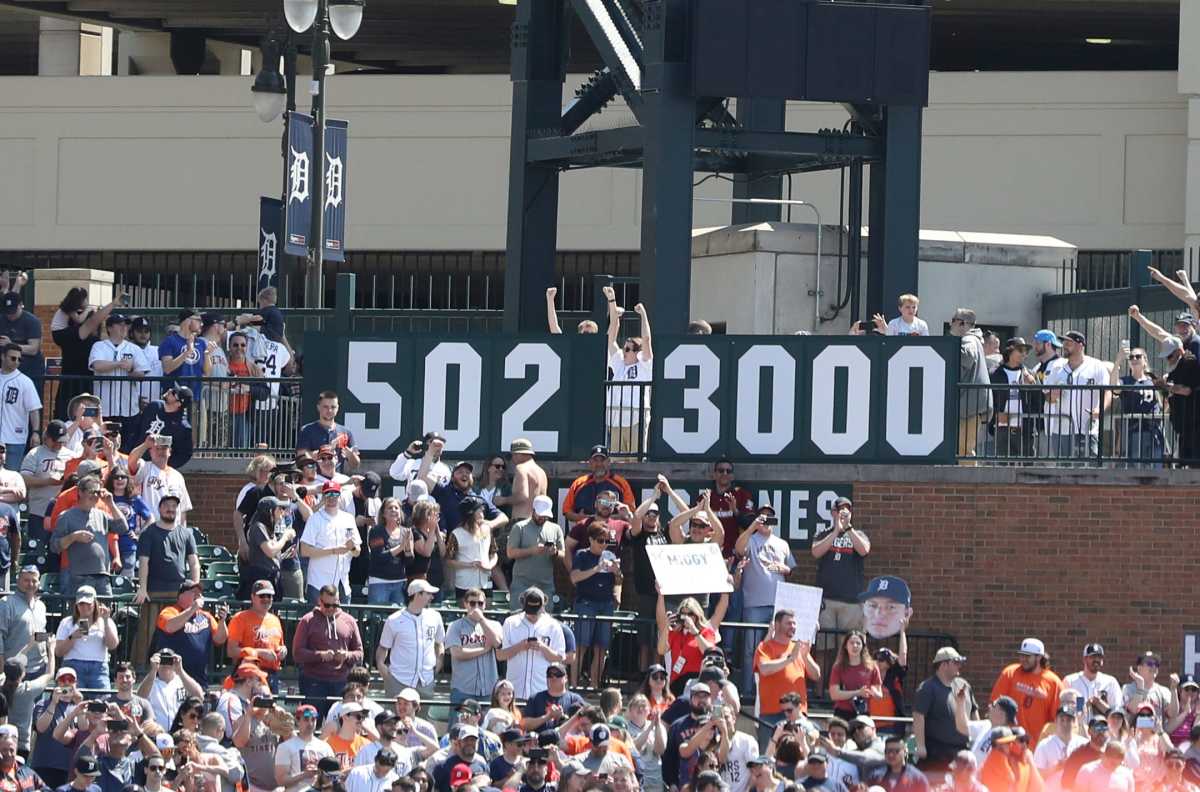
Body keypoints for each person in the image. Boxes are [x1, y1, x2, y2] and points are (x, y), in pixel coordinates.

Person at [735, 506, 795, 691]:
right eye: (763, 517)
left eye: (770, 517)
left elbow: (790, 568)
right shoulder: (751, 540)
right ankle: (748, 690)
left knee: (777, 647)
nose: (767, 520)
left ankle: (772, 689)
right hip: (754, 603)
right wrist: (753, 525)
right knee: (750, 650)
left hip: (779, 605)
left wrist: (784, 569)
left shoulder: (782, 543)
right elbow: (738, 548)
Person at [293, 585, 364, 717]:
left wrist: (346, 655)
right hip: (313, 682)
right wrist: (320, 655)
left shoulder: (349, 621)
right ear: (319, 601)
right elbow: (297, 654)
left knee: (340, 725)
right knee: (312, 724)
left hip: (341, 682)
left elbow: (360, 653)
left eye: (335, 605)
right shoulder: (307, 620)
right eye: (327, 605)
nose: (331, 608)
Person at [754, 610, 820, 750]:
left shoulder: (799, 647)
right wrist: (789, 659)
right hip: (771, 714)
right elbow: (764, 669)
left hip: (797, 713)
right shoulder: (765, 647)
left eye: (794, 623)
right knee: (768, 756)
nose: (793, 626)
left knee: (799, 755)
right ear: (777, 625)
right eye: (788, 623)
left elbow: (816, 675)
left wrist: (806, 655)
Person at [50, 476, 126, 597]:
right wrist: (73, 537)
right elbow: (54, 546)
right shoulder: (66, 516)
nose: (96, 496)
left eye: (98, 492)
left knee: (105, 614)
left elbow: (123, 528)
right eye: (92, 491)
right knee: (80, 615)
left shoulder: (102, 515)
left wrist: (111, 504)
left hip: (103, 577)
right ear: (80, 492)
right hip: (79, 577)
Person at [1042, 330, 1111, 462]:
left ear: (1080, 345)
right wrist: (1052, 396)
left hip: (1088, 428)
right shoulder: (1057, 366)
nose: (1064, 346)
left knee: (1090, 469)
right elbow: (1046, 395)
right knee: (1063, 470)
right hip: (1062, 429)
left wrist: (1100, 409)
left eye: (1069, 343)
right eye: (1064, 342)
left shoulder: (1096, 366)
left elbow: (1107, 391)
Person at [569, 522, 623, 686]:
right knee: (581, 646)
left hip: (605, 604)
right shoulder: (581, 555)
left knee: (601, 648)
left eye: (606, 541)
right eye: (600, 540)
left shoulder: (610, 556)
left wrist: (617, 572)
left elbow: (619, 580)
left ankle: (595, 685)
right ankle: (573, 684)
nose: (604, 544)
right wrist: (596, 568)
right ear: (591, 540)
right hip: (586, 603)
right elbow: (574, 577)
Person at [52, 289, 117, 420]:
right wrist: (94, 309)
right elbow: (87, 322)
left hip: (82, 380)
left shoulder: (92, 340)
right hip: (73, 381)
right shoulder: (69, 324)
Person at [989, 638, 1064, 748]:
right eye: (1021, 655)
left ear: (1039, 657)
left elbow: (1057, 719)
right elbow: (994, 706)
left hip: (1038, 747)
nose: (1023, 659)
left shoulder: (1053, 682)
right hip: (1009, 743)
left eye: (1028, 656)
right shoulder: (1010, 673)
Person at [810, 497, 869, 637]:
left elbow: (864, 550)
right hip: (827, 600)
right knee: (825, 646)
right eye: (840, 509)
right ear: (833, 513)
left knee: (850, 647)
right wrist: (836, 531)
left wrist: (848, 528)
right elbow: (815, 552)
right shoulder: (822, 533)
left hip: (851, 601)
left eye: (847, 509)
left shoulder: (858, 534)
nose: (844, 512)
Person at [376, 580, 445, 698]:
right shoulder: (394, 619)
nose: (432, 597)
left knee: (422, 717)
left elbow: (439, 643)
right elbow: (383, 647)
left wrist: (439, 662)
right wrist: (382, 668)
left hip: (426, 680)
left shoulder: (435, 616)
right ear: (418, 594)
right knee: (396, 716)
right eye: (428, 593)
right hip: (399, 680)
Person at [153, 581, 227, 685]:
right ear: (181, 595)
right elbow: (170, 627)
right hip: (172, 678)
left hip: (199, 678)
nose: (199, 595)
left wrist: (222, 621)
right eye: (194, 592)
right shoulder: (170, 611)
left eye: (200, 593)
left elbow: (220, 639)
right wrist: (192, 608)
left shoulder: (206, 616)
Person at [497, 587, 566, 700]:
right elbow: (500, 655)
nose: (533, 614)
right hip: (515, 691)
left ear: (543, 605)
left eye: (536, 610)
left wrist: (542, 647)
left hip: (542, 691)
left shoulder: (553, 626)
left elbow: (559, 658)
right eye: (530, 610)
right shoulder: (510, 623)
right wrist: (520, 646)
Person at [445, 589, 503, 720]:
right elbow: (457, 653)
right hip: (463, 689)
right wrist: (483, 650)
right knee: (458, 730)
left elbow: (497, 643)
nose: (476, 607)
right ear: (465, 604)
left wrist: (482, 620)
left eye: (480, 603)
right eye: (472, 603)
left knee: (487, 732)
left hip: (488, 690)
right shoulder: (455, 626)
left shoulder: (494, 625)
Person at [913, 647, 974, 770]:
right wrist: (920, 746)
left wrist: (977, 739)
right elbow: (918, 716)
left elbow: (974, 712)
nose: (960, 666)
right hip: (938, 753)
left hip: (964, 751)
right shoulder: (927, 688)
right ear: (943, 664)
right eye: (956, 662)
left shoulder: (964, 685)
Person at [301, 481, 362, 604]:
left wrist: (353, 548)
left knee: (342, 621)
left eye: (335, 494)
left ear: (340, 496)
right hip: (319, 582)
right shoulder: (315, 519)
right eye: (328, 494)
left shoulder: (348, 518)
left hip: (342, 582)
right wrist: (333, 551)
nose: (332, 497)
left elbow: (357, 551)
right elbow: (304, 550)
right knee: (317, 621)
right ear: (323, 496)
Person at [88, 315, 148, 437]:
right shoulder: (99, 346)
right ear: (109, 328)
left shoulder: (134, 348)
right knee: (104, 444)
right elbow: (97, 365)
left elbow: (141, 374)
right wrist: (119, 364)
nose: (124, 327)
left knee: (127, 448)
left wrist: (130, 369)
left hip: (128, 408)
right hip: (104, 408)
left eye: (125, 324)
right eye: (120, 324)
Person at [655, 592, 722, 696]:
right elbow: (661, 650)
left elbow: (709, 652)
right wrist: (666, 628)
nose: (686, 617)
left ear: (697, 615)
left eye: (690, 614)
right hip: (676, 682)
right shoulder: (676, 633)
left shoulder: (706, 632)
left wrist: (694, 631)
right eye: (683, 614)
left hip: (696, 681)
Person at [52, 586, 117, 691]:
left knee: (101, 702)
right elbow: (58, 652)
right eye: (81, 604)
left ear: (95, 603)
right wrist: (72, 637)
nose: (85, 607)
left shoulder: (106, 621)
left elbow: (113, 645)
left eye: (88, 603)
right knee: (71, 701)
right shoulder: (67, 622)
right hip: (72, 665)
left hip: (99, 667)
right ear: (76, 605)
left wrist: (105, 621)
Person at [948, 308, 991, 462]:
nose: (950, 325)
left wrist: (948, 352)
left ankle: (968, 486)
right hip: (970, 405)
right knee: (963, 450)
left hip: (970, 407)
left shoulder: (970, 339)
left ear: (961, 323)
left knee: (964, 450)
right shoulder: (974, 339)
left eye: (953, 320)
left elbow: (967, 357)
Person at [506, 496, 564, 611]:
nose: (542, 518)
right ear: (533, 511)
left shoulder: (556, 529)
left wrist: (555, 552)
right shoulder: (519, 527)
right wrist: (532, 551)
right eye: (540, 514)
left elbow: (563, 555)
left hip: (545, 585)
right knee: (517, 618)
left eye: (545, 516)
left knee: (545, 623)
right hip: (521, 584)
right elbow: (510, 553)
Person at [226, 580, 288, 688]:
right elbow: (231, 651)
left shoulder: (275, 620)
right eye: (262, 596)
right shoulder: (240, 618)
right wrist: (259, 653)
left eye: (269, 596)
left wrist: (283, 650)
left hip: (272, 676)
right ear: (253, 597)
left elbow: (280, 646)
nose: (266, 599)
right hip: (248, 675)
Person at [1112, 344, 1165, 466]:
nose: (1134, 359)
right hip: (1134, 431)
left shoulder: (1153, 380)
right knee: (1137, 468)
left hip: (1154, 430)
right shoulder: (1125, 381)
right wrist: (1118, 360)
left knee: (1156, 467)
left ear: (1145, 360)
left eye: (1138, 356)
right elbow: (1115, 389)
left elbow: (1163, 403)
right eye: (1131, 357)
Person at [21, 421, 72, 545]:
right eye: (55, 441)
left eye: (62, 441)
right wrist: (47, 481)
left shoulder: (71, 455)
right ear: (47, 437)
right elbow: (23, 480)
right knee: (39, 550)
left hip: (64, 513)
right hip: (39, 512)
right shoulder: (35, 454)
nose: (59, 444)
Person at [1153, 335, 1200, 465]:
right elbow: (1168, 396)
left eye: (1169, 356)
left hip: (1193, 423)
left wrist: (1166, 386)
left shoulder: (1189, 363)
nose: (1167, 360)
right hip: (1183, 425)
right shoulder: (1176, 368)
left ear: (1179, 351)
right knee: (1185, 461)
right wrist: (1161, 386)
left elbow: (1187, 390)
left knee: (1193, 462)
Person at [561, 446, 635, 525]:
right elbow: (567, 511)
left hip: (613, 529)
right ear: (590, 462)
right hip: (585, 529)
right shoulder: (579, 483)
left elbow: (630, 510)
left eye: (602, 460)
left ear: (608, 462)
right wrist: (581, 518)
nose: (599, 464)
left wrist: (602, 519)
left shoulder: (621, 483)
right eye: (595, 460)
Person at [127, 433, 192, 524]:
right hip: (149, 528)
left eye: (164, 449)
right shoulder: (145, 468)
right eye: (157, 449)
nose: (160, 452)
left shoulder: (178, 476)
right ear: (150, 452)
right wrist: (145, 445)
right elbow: (131, 462)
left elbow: (183, 510)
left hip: (172, 532)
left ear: (169, 452)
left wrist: (182, 533)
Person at [123, 389, 194, 471]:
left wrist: (164, 466)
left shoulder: (183, 427)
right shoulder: (154, 406)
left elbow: (184, 455)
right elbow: (136, 430)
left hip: (156, 471)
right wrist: (128, 451)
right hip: (134, 461)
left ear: (178, 404)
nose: (170, 391)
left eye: (174, 393)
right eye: (173, 389)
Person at [445, 497, 501, 601]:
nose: (482, 514)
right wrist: (469, 565)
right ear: (470, 514)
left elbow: (493, 553)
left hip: (485, 582)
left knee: (486, 610)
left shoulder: (487, 529)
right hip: (465, 584)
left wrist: (489, 565)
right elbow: (448, 560)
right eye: (479, 511)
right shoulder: (456, 534)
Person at [135, 649, 205, 730]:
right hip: (157, 733)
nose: (166, 664)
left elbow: (199, 697)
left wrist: (180, 670)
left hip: (180, 734)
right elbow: (139, 698)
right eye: (162, 660)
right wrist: (153, 670)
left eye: (169, 660)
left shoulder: (183, 681)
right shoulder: (150, 682)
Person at [297, 390, 361, 474]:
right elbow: (300, 459)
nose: (329, 410)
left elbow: (355, 465)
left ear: (338, 408)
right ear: (318, 407)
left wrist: (350, 455)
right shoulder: (307, 430)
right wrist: (328, 448)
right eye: (325, 407)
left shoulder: (346, 432)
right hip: (313, 480)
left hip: (336, 482)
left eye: (333, 407)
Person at [242, 495, 295, 595]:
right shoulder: (258, 527)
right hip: (262, 577)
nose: (282, 513)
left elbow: (272, 553)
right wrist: (285, 537)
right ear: (270, 511)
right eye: (280, 509)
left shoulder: (269, 528)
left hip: (273, 575)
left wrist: (285, 554)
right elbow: (270, 551)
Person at [276, 704, 336, 792]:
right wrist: (304, 775)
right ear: (297, 720)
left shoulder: (325, 747)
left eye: (313, 719)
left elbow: (333, 776)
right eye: (306, 719)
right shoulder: (285, 747)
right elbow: (281, 780)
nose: (310, 723)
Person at [0, 342, 41, 464]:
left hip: (15, 438)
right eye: (13, 358)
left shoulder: (25, 382)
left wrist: (35, 432)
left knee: (12, 478)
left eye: (19, 359)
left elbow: (34, 409)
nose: (16, 361)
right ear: (3, 356)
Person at [367, 498, 414, 606]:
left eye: (396, 508)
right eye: (390, 508)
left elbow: (409, 561)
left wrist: (407, 549)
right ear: (383, 513)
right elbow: (379, 557)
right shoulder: (376, 531)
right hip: (379, 583)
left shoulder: (406, 532)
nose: (393, 510)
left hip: (399, 583)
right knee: (377, 618)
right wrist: (401, 547)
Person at [828, 631, 883, 722]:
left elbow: (879, 694)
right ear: (845, 646)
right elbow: (834, 694)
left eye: (858, 643)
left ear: (863, 647)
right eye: (851, 643)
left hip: (862, 712)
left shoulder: (872, 667)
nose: (855, 646)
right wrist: (858, 692)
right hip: (842, 713)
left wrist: (872, 692)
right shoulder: (838, 667)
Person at [1062, 643, 1122, 726]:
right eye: (1093, 657)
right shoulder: (1070, 681)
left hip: (1103, 731)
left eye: (1099, 657)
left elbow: (1118, 712)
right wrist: (1081, 706)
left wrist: (1101, 705)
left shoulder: (1111, 682)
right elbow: (1062, 710)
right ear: (1084, 659)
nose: (1096, 660)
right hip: (1078, 731)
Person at [106, 467, 151, 573]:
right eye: (116, 477)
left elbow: (150, 518)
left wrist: (140, 534)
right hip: (108, 543)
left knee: (126, 579)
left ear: (128, 479)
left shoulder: (135, 499)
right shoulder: (106, 498)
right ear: (111, 480)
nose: (120, 479)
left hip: (128, 544)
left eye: (123, 477)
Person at [861, 737, 929, 792]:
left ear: (905, 752)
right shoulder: (875, 776)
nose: (891, 755)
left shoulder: (917, 777)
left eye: (896, 751)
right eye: (888, 751)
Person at [1123, 651, 1174, 719]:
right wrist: (1140, 687)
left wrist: (1174, 689)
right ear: (1139, 668)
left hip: (1156, 729)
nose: (1153, 666)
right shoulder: (1128, 688)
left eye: (1156, 664)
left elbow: (1172, 714)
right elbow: (1132, 710)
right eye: (1150, 663)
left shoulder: (1164, 691)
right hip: (1135, 729)